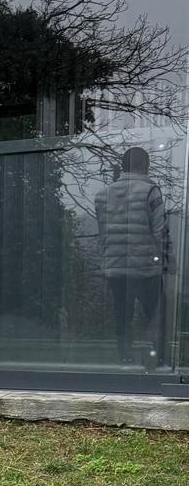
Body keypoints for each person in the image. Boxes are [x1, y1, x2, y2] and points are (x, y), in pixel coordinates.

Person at [94, 146, 170, 370]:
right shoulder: (150, 191)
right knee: (156, 314)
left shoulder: (102, 195)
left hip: (116, 268)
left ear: (123, 167)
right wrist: (169, 261)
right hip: (145, 268)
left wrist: (106, 261)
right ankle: (159, 360)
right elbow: (160, 231)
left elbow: (103, 233)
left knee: (122, 315)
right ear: (145, 165)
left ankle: (125, 359)